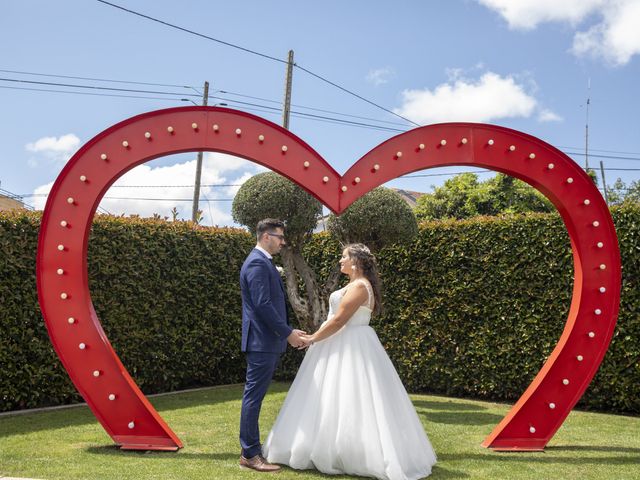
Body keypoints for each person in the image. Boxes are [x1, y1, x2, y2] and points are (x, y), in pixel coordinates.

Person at [263, 243, 437, 480]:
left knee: (351, 396)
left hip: (350, 344)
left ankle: (352, 452)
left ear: (355, 261)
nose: (340, 260)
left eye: (344, 257)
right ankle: (330, 447)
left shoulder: (359, 287)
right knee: (333, 397)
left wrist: (312, 339)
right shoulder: (356, 285)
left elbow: (338, 321)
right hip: (341, 343)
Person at [239, 218, 307, 473]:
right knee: (253, 397)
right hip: (261, 341)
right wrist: (288, 333)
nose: (283, 242)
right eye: (280, 237)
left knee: (254, 396)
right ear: (266, 236)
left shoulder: (263, 262)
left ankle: (250, 451)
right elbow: (262, 304)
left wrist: (287, 332)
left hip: (266, 340)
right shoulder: (257, 262)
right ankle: (249, 454)